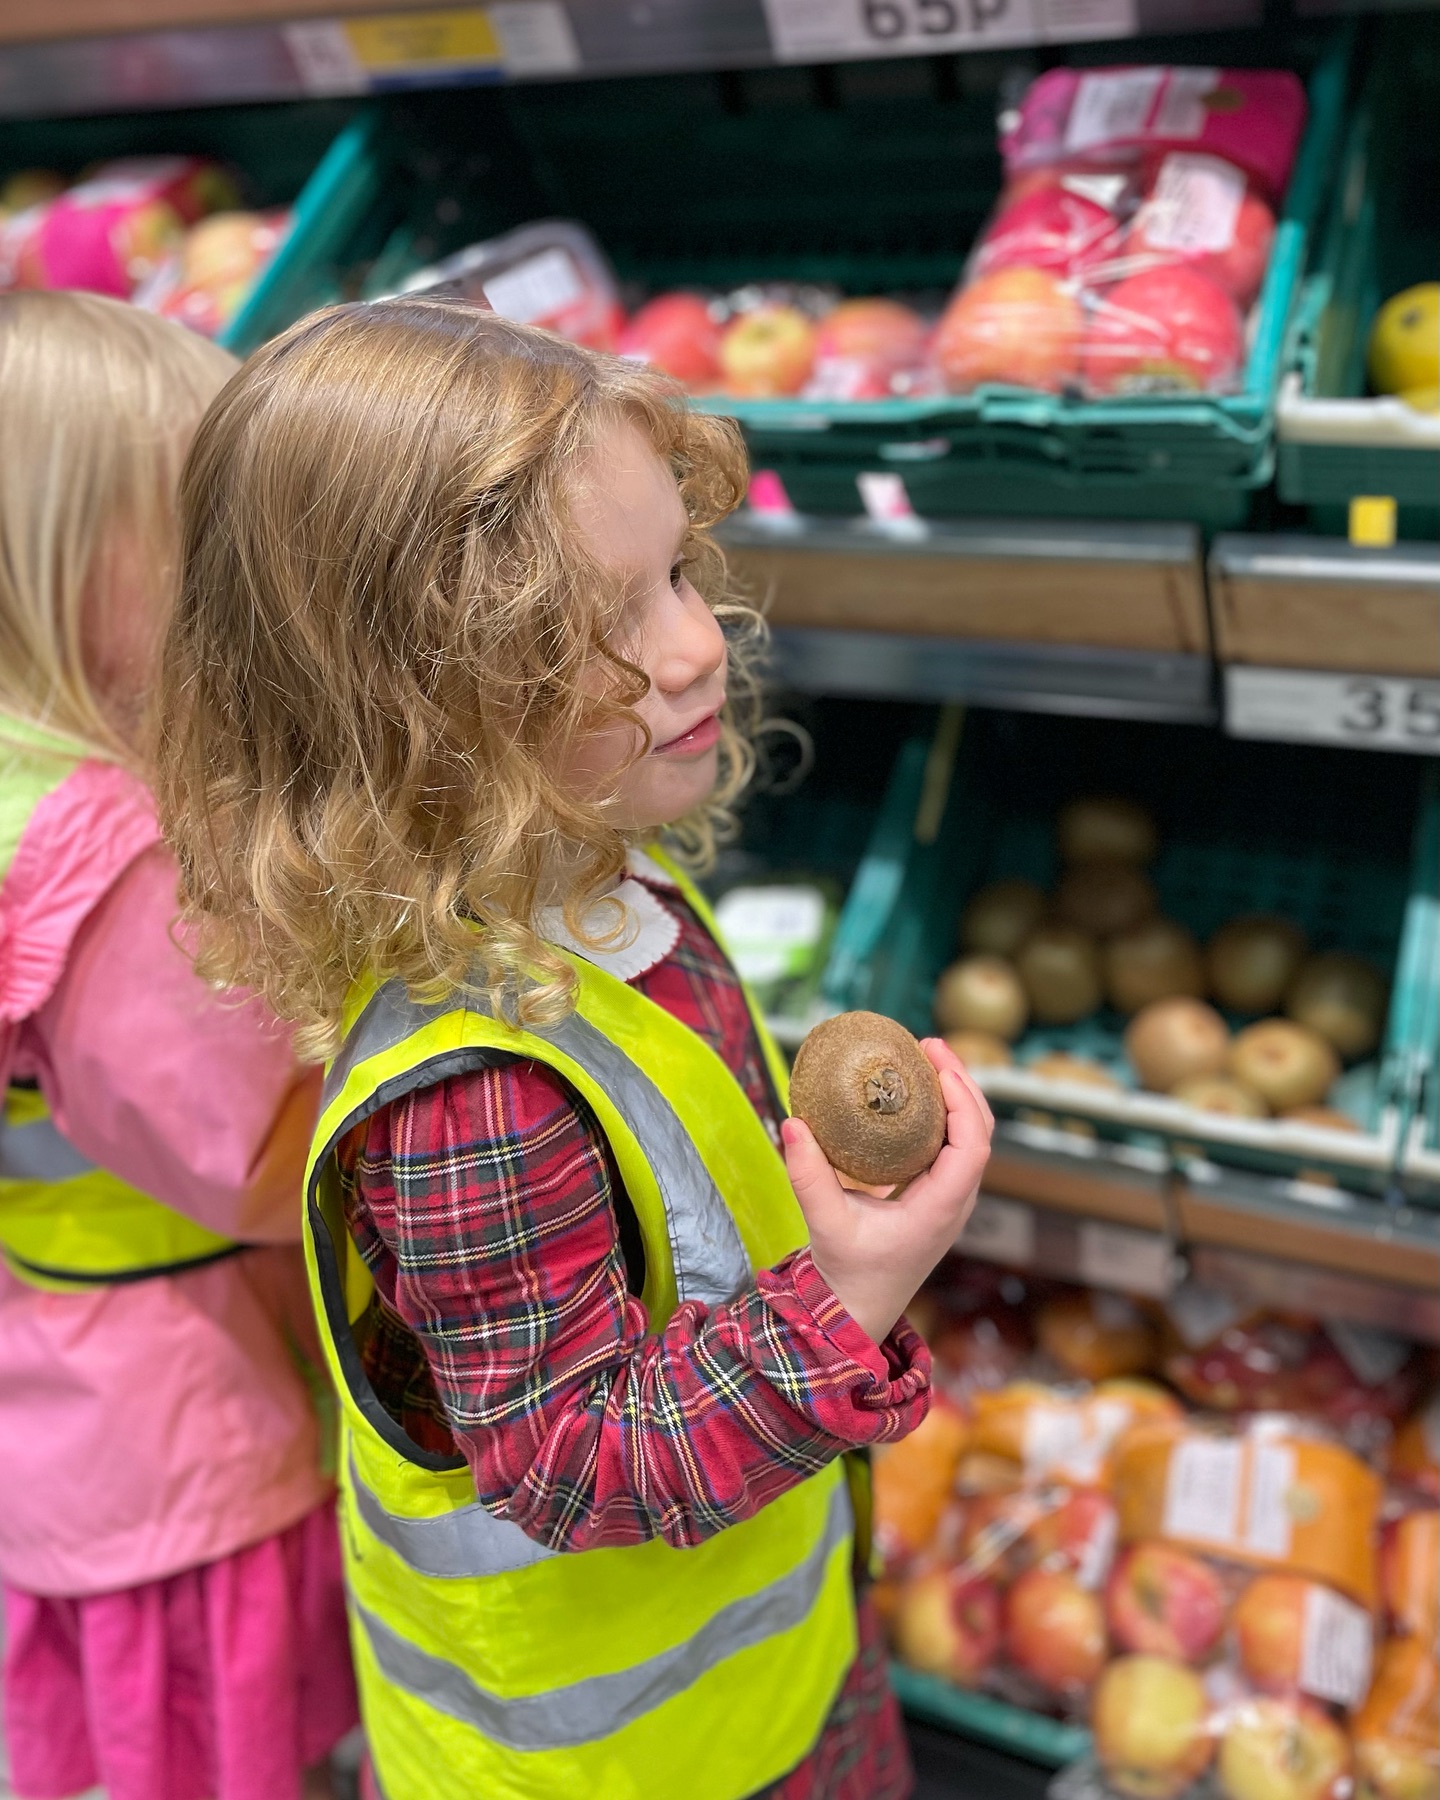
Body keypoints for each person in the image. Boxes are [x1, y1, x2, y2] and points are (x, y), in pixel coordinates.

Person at [156, 297, 993, 1800]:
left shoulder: (601, 875)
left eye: (675, 572)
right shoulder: (470, 1092)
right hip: (623, 1760)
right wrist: (852, 1295)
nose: (691, 647)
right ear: (397, 703)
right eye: (587, 626)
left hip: (775, 1638)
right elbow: (566, 1461)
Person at [0, 293, 357, 1800]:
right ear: (65, 567)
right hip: (184, 1419)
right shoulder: (113, 856)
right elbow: (263, 1163)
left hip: (53, 1392)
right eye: (205, 532)